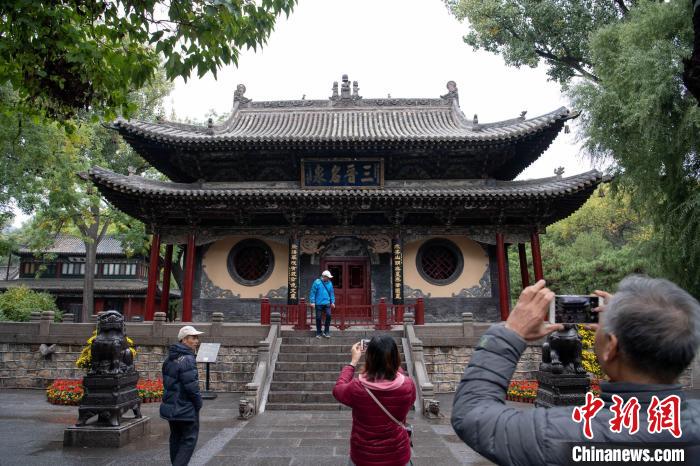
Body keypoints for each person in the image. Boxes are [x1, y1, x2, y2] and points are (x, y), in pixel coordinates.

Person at [451, 276, 700, 465]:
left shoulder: (557, 433)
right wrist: (633, 315)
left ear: (611, 347)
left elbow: (472, 414)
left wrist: (510, 332)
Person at [333, 334, 416, 466]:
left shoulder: (357, 387)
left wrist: (353, 362)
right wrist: (388, 360)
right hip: (397, 455)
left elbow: (338, 390)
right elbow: (410, 400)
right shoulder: (408, 385)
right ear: (395, 356)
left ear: (369, 358)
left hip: (364, 455)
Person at [160, 325, 204, 466]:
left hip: (171, 406)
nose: (196, 341)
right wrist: (198, 403)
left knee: (176, 438)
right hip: (185, 406)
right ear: (184, 340)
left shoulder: (170, 358)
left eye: (197, 338)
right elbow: (192, 386)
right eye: (193, 338)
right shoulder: (188, 359)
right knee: (189, 439)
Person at [310, 269, 336, 338]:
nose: (329, 278)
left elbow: (331, 293)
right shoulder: (317, 282)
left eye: (329, 277)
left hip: (327, 303)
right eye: (328, 277)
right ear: (324, 276)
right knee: (318, 318)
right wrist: (312, 302)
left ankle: (326, 331)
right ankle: (318, 332)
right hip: (318, 303)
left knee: (328, 315)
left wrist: (332, 302)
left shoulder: (330, 283)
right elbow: (313, 292)